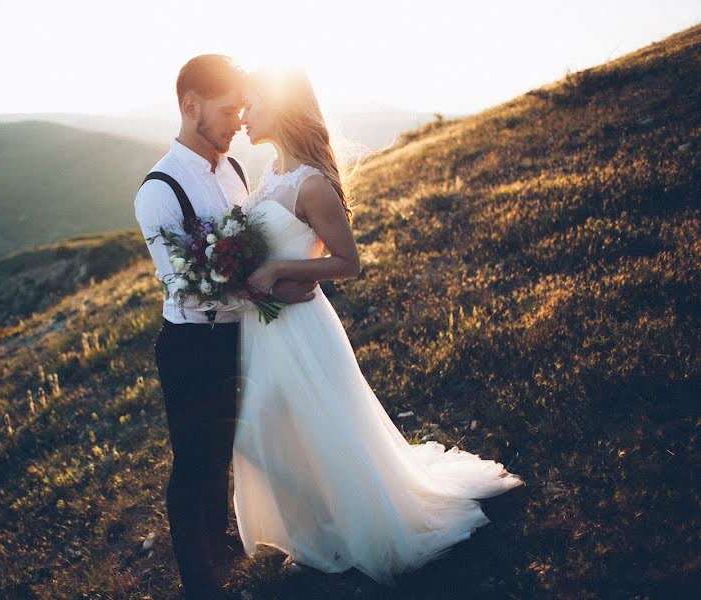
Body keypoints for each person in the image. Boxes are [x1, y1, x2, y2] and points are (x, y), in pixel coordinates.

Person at [232, 67, 525, 586]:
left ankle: (348, 525)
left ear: (278, 105)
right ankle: (315, 524)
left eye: (251, 103)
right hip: (266, 328)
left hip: (302, 329)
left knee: (286, 427)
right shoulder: (272, 173)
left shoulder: (311, 183)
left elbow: (348, 263)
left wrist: (280, 270)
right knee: (275, 432)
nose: (243, 115)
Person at [133, 55, 317, 599]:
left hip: (250, 334)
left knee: (262, 442)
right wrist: (270, 287)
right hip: (194, 345)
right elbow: (183, 285)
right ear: (191, 107)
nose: (241, 119)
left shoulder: (235, 170)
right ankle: (203, 582)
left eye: (243, 107)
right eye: (229, 109)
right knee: (199, 465)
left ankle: (268, 543)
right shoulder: (158, 190)